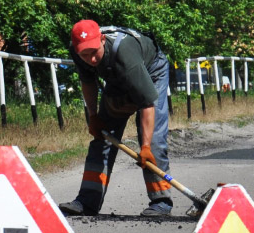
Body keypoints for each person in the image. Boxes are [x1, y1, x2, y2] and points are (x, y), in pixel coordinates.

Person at [59, 19, 173, 217]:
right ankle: (87, 201)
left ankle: (161, 201)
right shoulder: (79, 52)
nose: (91, 59)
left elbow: (146, 103)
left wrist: (144, 146)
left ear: (102, 40)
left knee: (153, 141)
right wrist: (93, 116)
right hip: (117, 78)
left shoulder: (125, 53)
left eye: (94, 52)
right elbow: (88, 82)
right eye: (85, 54)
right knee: (102, 136)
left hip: (151, 71)